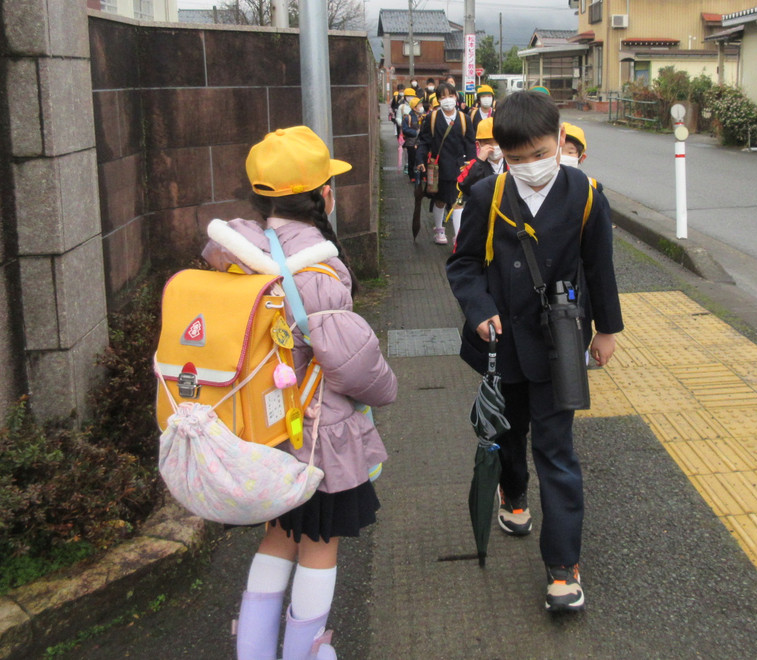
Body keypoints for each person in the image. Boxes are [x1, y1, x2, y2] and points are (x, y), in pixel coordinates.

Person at [205, 126, 398, 660]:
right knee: (318, 542)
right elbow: (354, 366)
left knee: (280, 533)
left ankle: (254, 649)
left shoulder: (235, 251)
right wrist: (388, 388)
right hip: (315, 436)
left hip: (260, 426)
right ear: (324, 196)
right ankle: (301, 652)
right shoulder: (314, 271)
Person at [446, 90, 624, 613]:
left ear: (560, 138)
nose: (530, 166)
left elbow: (600, 268)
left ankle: (563, 564)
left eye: (539, 153)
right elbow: (463, 265)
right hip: (501, 346)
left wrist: (606, 330)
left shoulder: (587, 194)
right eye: (517, 158)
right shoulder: (489, 195)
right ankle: (514, 496)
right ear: (500, 152)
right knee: (507, 433)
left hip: (560, 346)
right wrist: (478, 310)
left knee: (558, 451)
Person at [416, 82, 474, 244]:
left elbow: (470, 144)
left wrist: (472, 164)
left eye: (450, 96)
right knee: (440, 200)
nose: (447, 100)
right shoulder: (432, 118)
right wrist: (420, 160)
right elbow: (424, 142)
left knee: (458, 201)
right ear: (438, 100)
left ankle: (458, 236)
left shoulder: (465, 119)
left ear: (456, 97)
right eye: (443, 97)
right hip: (438, 168)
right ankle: (439, 230)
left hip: (459, 167)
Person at [450, 116, 506, 243]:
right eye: (488, 143)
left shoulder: (512, 162)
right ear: (478, 144)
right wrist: (479, 161)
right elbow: (464, 185)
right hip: (480, 220)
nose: (494, 146)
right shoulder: (475, 164)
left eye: (497, 141)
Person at [398, 90, 423, 183]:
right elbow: (405, 129)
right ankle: (411, 175)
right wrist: (416, 132)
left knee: (420, 158)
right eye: (419, 105)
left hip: (420, 142)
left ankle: (421, 175)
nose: (421, 107)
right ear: (414, 107)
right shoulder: (408, 117)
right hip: (411, 142)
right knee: (412, 159)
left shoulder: (422, 116)